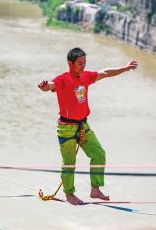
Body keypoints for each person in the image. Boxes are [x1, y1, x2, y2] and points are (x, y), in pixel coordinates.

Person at [38, 47, 138, 205]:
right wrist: (45, 87)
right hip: (66, 128)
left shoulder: (86, 76)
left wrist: (125, 68)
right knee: (69, 163)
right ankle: (69, 194)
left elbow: (105, 73)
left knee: (99, 154)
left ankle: (95, 189)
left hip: (83, 126)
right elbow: (50, 86)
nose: (83, 66)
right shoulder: (62, 79)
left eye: (84, 63)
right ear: (70, 63)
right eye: (79, 63)